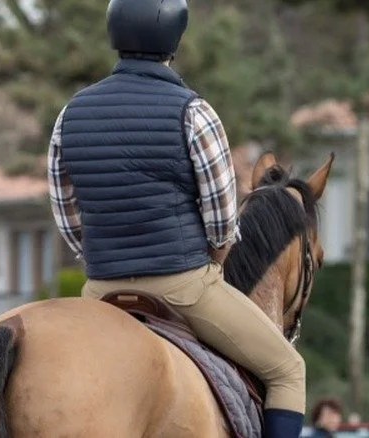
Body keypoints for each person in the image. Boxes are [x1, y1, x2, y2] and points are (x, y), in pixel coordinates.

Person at [46, 0, 306, 436]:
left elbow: (65, 209)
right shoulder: (194, 111)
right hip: (183, 286)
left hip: (101, 289)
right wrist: (214, 259)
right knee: (287, 370)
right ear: (175, 39)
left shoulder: (70, 114)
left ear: (114, 35)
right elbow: (222, 218)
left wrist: (98, 257)